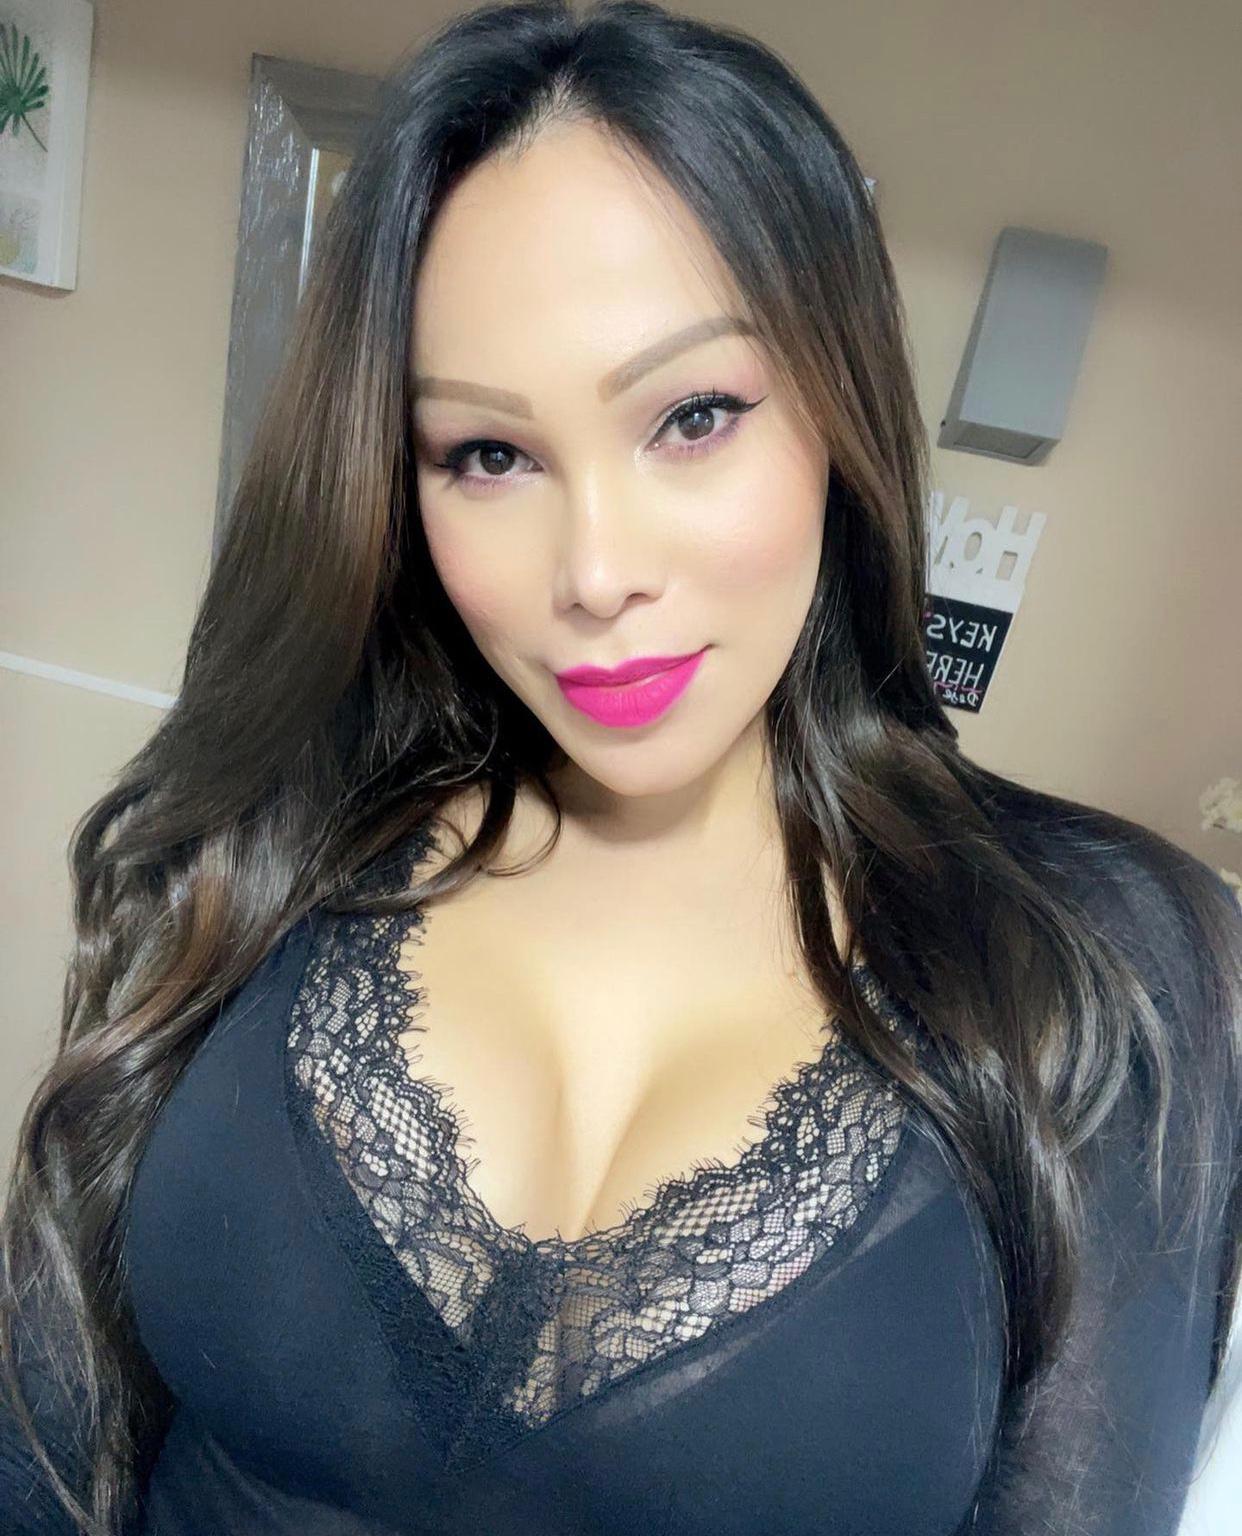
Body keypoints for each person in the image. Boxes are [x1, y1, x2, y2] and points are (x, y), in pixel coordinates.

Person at [3, 1, 1240, 1532]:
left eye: (693, 418)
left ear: (838, 413)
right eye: (489, 455)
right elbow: (47, 1444)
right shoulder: (266, 839)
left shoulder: (1104, 965)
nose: (593, 573)